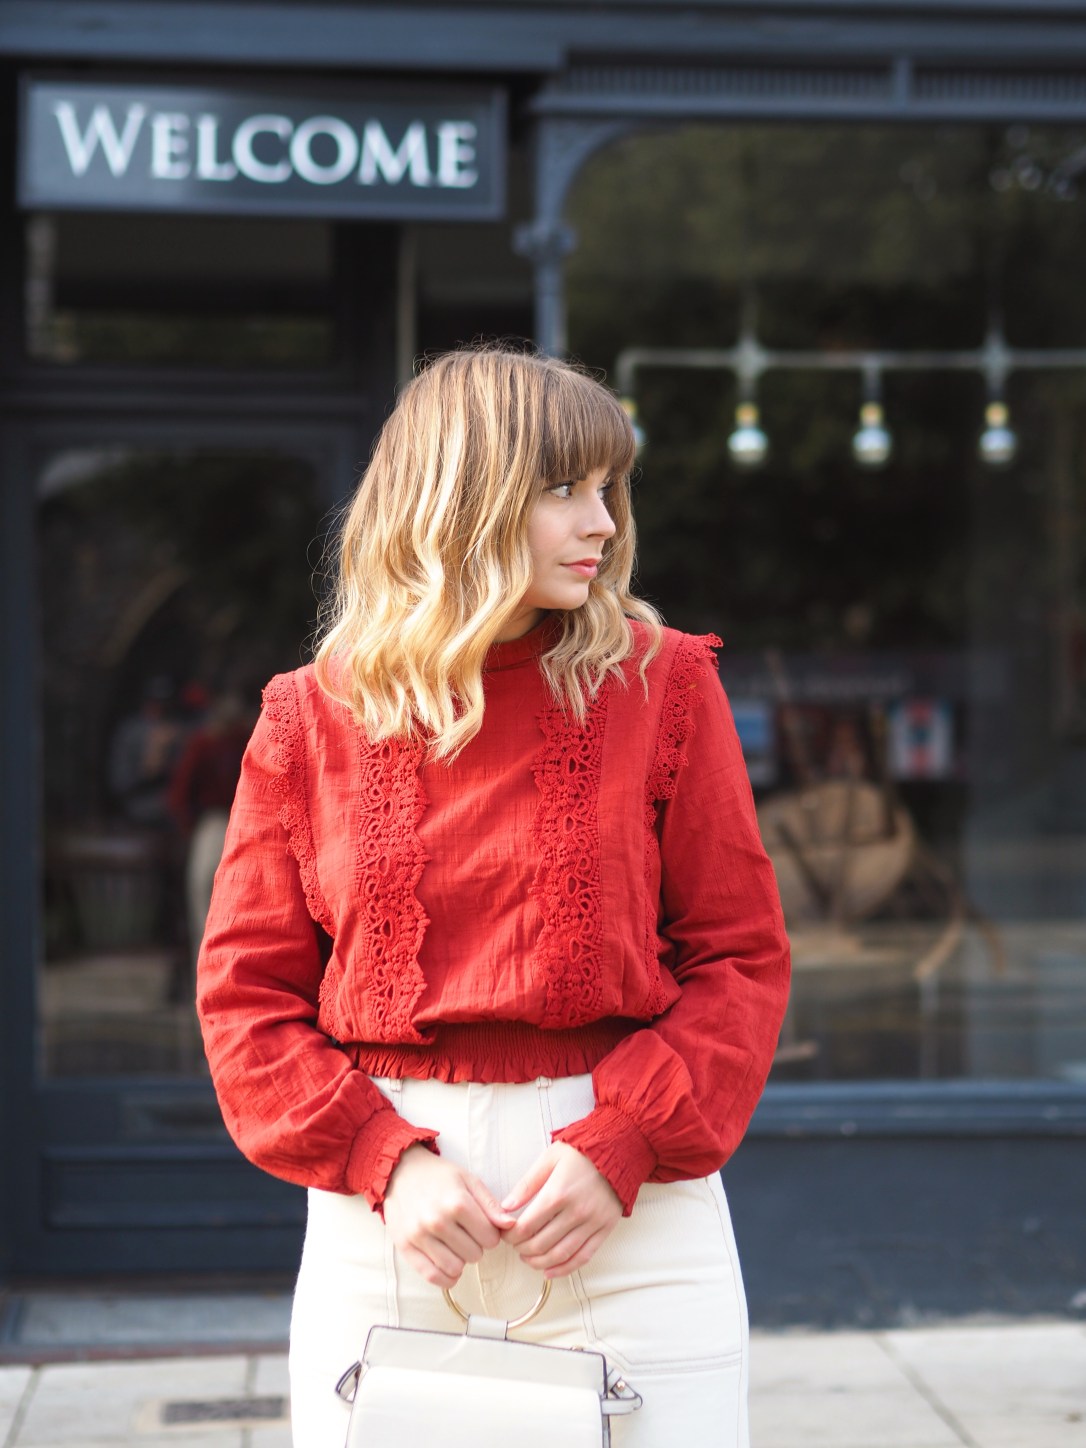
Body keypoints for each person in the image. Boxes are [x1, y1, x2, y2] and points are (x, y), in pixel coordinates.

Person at [196, 346, 790, 1448]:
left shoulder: (664, 682)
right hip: (391, 1238)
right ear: (461, 498)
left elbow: (740, 958)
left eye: (609, 487)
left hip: (634, 1231)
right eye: (564, 488)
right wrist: (382, 1159)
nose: (603, 522)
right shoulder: (307, 719)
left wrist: (624, 1142)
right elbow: (245, 999)